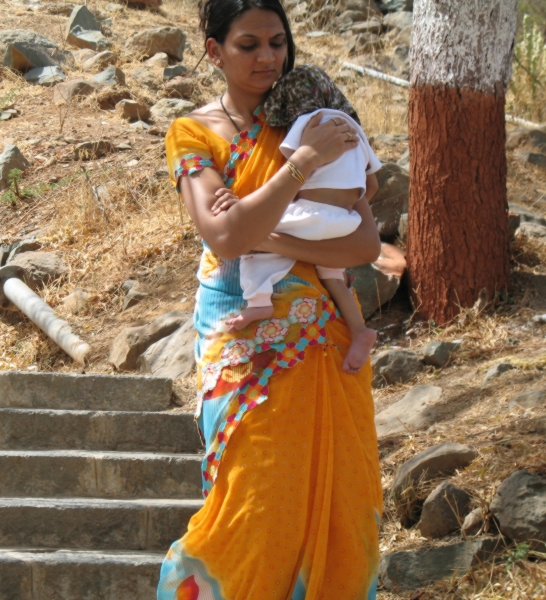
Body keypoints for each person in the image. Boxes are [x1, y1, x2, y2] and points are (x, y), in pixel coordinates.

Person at [156, 0, 383, 597]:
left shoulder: (311, 117)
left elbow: (363, 243)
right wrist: (300, 168)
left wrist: (274, 229)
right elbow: (225, 234)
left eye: (278, 43)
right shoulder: (192, 133)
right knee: (252, 502)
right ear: (214, 50)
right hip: (240, 336)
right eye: (248, 44)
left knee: (341, 507)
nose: (268, 58)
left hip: (324, 344)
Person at [213, 64, 380, 373]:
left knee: (249, 231)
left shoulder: (308, 122)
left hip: (309, 214)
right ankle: (360, 331)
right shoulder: (353, 129)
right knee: (333, 275)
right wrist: (340, 210)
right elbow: (372, 185)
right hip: (345, 222)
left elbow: (293, 170)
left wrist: (243, 202)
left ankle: (259, 301)